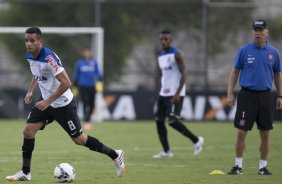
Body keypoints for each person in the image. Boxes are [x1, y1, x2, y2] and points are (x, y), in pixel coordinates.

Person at [5, 27, 125, 181]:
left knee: (79, 140)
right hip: (46, 102)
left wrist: (48, 101)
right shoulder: (29, 55)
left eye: (32, 40)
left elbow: (67, 83)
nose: (29, 44)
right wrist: (30, 91)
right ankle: (25, 172)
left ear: (40, 41)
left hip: (63, 104)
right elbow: (37, 74)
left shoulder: (49, 58)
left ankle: (115, 154)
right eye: (26, 40)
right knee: (28, 131)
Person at [226, 20, 282, 175]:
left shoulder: (274, 53)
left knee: (265, 133)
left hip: (265, 96)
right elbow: (235, 72)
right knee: (241, 132)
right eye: (255, 30)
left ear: (266, 32)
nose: (258, 33)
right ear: (252, 32)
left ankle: (262, 167)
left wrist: (280, 96)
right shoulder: (244, 51)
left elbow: (277, 75)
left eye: (261, 30)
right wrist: (229, 93)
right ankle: (238, 166)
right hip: (247, 96)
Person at [152, 30, 204, 158]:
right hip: (163, 93)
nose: (163, 42)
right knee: (159, 120)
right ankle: (166, 152)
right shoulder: (160, 56)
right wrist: (159, 90)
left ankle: (196, 140)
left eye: (166, 39)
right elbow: (163, 75)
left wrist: (177, 93)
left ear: (171, 40)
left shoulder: (177, 54)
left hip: (175, 93)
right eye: (161, 39)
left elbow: (184, 73)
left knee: (171, 120)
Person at [73, 47, 102, 131]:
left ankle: (88, 120)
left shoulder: (94, 62)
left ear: (91, 53)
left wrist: (99, 83)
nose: (87, 54)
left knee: (92, 104)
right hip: (83, 86)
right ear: (83, 53)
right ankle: (86, 121)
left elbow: (98, 74)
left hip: (92, 86)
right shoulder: (79, 63)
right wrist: (75, 86)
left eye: (88, 52)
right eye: (85, 52)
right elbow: (77, 75)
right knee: (85, 103)